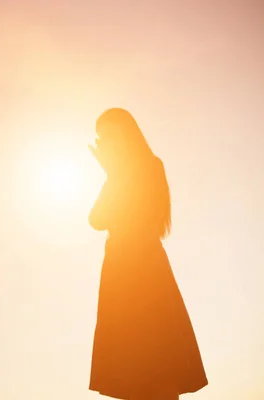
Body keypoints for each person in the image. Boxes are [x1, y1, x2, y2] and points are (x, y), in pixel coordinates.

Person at [87, 108, 208, 400]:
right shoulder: (133, 170)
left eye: (107, 135)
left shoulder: (144, 168)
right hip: (127, 269)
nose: (103, 142)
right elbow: (97, 219)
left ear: (123, 133)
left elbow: (106, 218)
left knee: (155, 361)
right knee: (136, 364)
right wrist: (112, 174)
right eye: (100, 136)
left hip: (139, 268)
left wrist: (112, 173)